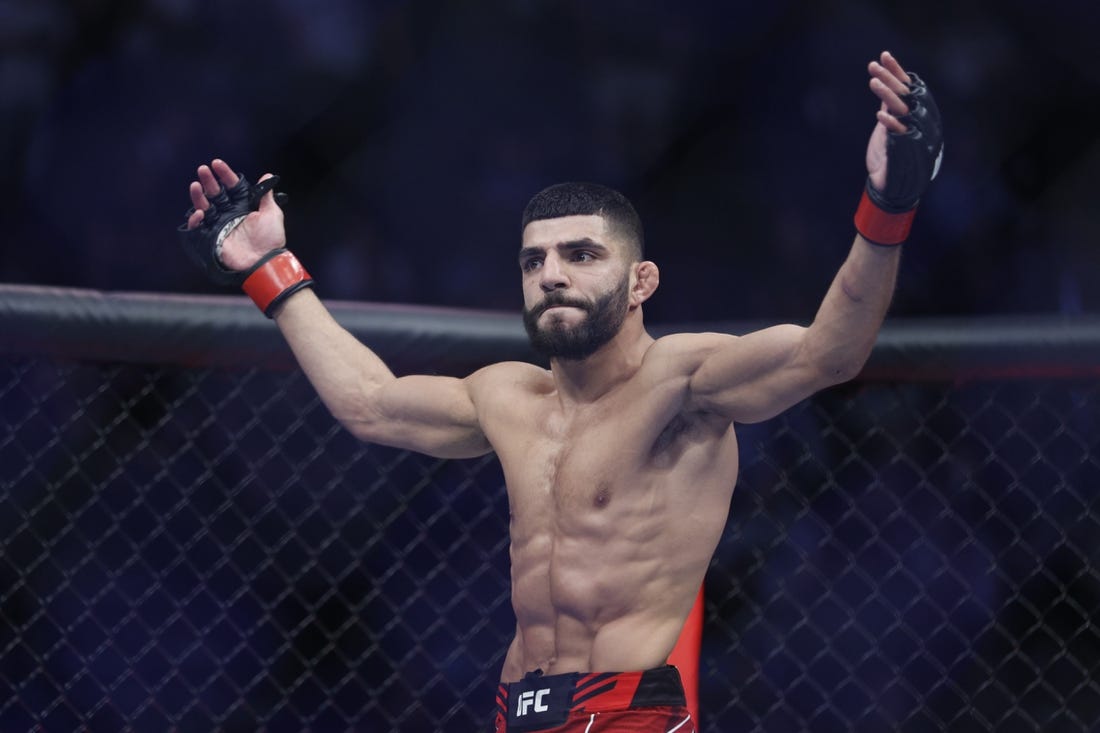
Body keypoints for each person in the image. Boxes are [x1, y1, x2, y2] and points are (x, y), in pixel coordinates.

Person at [179, 50, 942, 733]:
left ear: (641, 279)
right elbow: (371, 403)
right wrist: (269, 270)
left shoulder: (684, 383)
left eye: (581, 254)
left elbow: (828, 353)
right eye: (535, 259)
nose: (552, 273)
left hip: (630, 712)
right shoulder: (506, 396)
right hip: (520, 708)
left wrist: (889, 205)